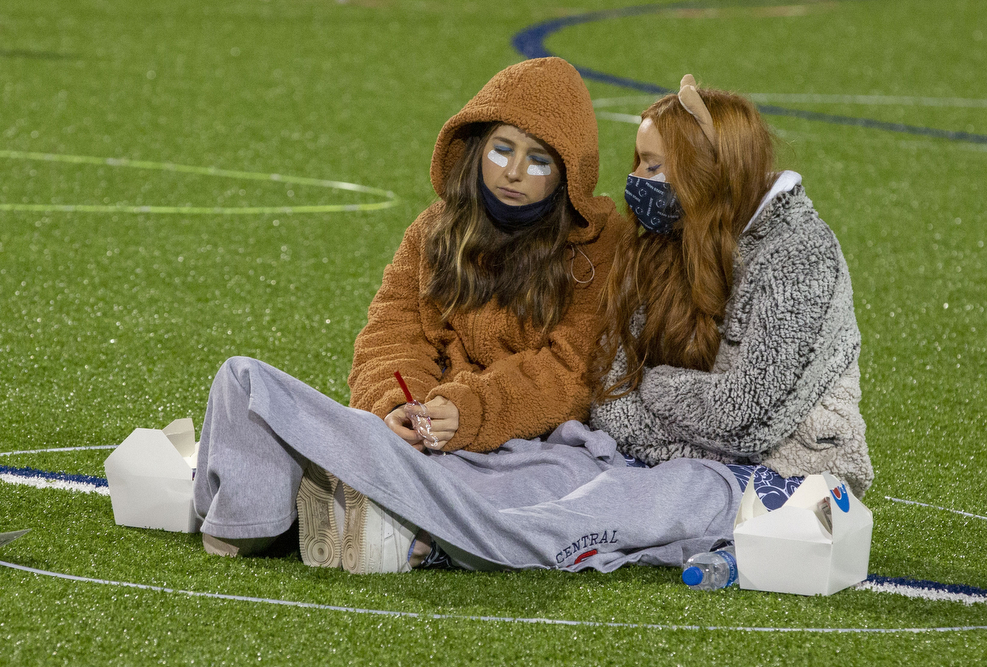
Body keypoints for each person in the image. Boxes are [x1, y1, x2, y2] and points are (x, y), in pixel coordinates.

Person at [194, 57, 657, 569]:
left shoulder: (600, 245)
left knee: (565, 477)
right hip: (419, 435)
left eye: (539, 160)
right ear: (478, 148)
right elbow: (391, 336)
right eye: (502, 149)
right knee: (244, 381)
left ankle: (376, 506)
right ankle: (267, 518)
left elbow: (572, 371)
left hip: (524, 448)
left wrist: (472, 410)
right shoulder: (435, 228)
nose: (513, 171)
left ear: (569, 172)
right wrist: (394, 406)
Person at [590, 75, 873, 505]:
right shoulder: (661, 239)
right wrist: (678, 453)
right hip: (672, 464)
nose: (635, 180)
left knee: (608, 507)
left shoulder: (802, 253)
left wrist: (654, 387)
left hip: (793, 478)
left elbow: (746, 416)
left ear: (710, 168)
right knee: (560, 457)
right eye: (638, 162)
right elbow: (609, 398)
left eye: (652, 166)